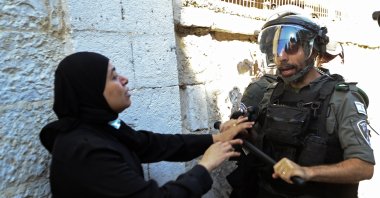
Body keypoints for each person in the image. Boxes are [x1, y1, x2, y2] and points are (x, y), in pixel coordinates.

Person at [39, 51, 254, 197]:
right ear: (90, 91)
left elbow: (149, 144)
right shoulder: (85, 152)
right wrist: (205, 166)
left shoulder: (102, 126)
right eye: (113, 77)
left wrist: (216, 138)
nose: (124, 80)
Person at [229, 13, 375, 198]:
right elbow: (266, 143)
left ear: (312, 50)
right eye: (275, 49)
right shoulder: (271, 93)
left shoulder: (342, 98)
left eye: (291, 47)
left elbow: (364, 167)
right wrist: (243, 132)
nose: (281, 56)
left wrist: (308, 172)